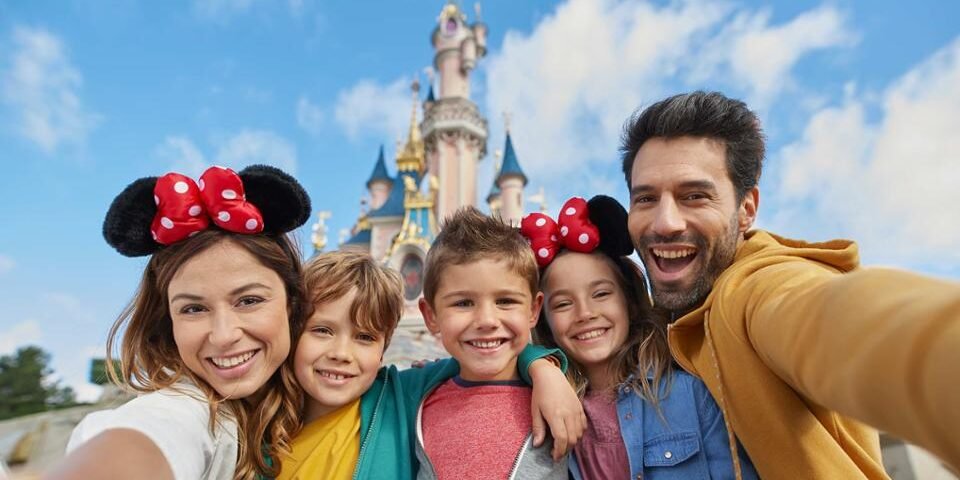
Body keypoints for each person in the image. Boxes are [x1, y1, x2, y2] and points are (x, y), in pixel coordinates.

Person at [620, 90, 960, 478]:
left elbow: (847, 323)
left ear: (746, 210)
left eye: (694, 196)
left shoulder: (755, 290)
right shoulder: (653, 328)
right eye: (645, 199)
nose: (665, 222)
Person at [46, 165, 312, 480]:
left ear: (292, 304)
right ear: (167, 322)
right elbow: (153, 433)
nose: (223, 335)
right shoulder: (186, 411)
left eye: (249, 301)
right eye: (194, 309)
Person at [277, 250, 582, 480]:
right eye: (322, 331)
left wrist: (544, 369)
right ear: (292, 331)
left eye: (365, 337)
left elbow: (487, 358)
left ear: (383, 349)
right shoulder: (260, 420)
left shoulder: (399, 394)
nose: (341, 353)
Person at [523, 195, 758, 479]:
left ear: (629, 300)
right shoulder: (541, 408)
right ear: (543, 319)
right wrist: (538, 365)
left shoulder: (691, 394)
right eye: (562, 304)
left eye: (601, 294)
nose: (585, 313)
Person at [415, 207, 578, 480]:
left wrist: (545, 368)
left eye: (505, 301)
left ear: (533, 310)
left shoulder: (564, 395)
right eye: (463, 303)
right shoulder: (417, 396)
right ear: (431, 315)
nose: (487, 320)